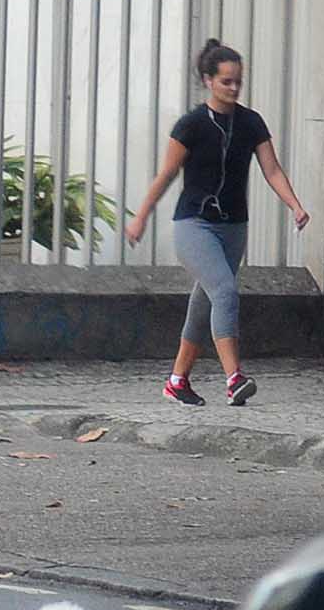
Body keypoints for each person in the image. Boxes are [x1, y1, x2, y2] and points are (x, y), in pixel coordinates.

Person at [125, 39, 310, 408]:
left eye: (238, 81)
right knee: (224, 291)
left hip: (233, 227)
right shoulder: (191, 125)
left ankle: (177, 381)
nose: (234, 88)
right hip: (195, 225)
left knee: (205, 303)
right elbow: (166, 174)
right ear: (209, 80)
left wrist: (294, 205)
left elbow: (271, 169)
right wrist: (141, 216)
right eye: (226, 81)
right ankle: (234, 378)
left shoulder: (251, 122)